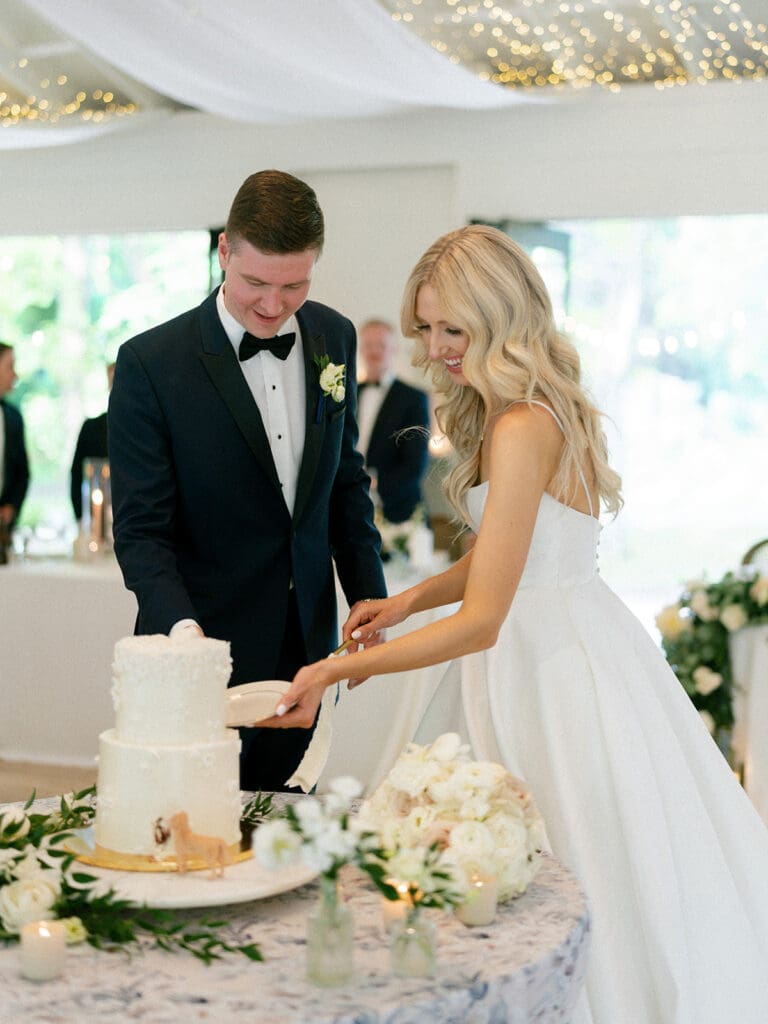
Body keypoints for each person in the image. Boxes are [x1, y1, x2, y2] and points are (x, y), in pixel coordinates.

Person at [264, 225, 768, 1022]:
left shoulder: (520, 426)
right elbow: (505, 556)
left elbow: (489, 616)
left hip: (546, 666)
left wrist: (333, 669)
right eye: (426, 327)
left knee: (565, 853)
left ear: (501, 319)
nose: (435, 348)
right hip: (571, 635)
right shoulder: (530, 412)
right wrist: (405, 602)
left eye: (451, 329)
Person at [108, 169, 386, 792]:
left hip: (306, 653)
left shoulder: (333, 337)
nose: (271, 304)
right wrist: (185, 636)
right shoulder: (151, 364)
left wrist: (368, 593)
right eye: (255, 282)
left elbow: (345, 480)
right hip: (196, 654)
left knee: (288, 842)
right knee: (186, 836)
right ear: (224, 251)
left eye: (294, 285)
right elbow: (142, 532)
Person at [357, 318, 430, 524]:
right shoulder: (347, 394)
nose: (374, 351)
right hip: (351, 508)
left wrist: (374, 485)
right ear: (360, 349)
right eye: (368, 345)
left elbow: (415, 462)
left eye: (381, 345)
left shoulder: (413, 398)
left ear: (394, 350)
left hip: (397, 509)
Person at [69, 362, 115, 521]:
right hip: (96, 519)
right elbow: (77, 474)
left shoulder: (149, 427)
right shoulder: (91, 428)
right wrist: (81, 519)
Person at [0, 342, 30, 554]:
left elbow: (22, 472)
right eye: (9, 366)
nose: (15, 375)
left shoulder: (13, 417)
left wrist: (11, 506)